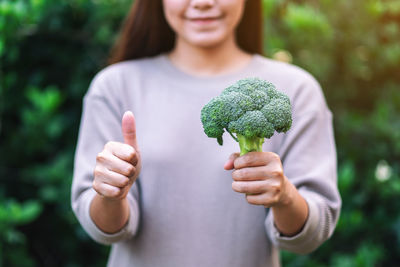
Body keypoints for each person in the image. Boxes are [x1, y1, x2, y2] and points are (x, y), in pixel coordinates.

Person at [71, 0, 341, 266]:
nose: (202, 3)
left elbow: (314, 231)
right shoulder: (114, 86)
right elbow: (99, 226)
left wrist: (285, 197)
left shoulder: (296, 90)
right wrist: (111, 194)